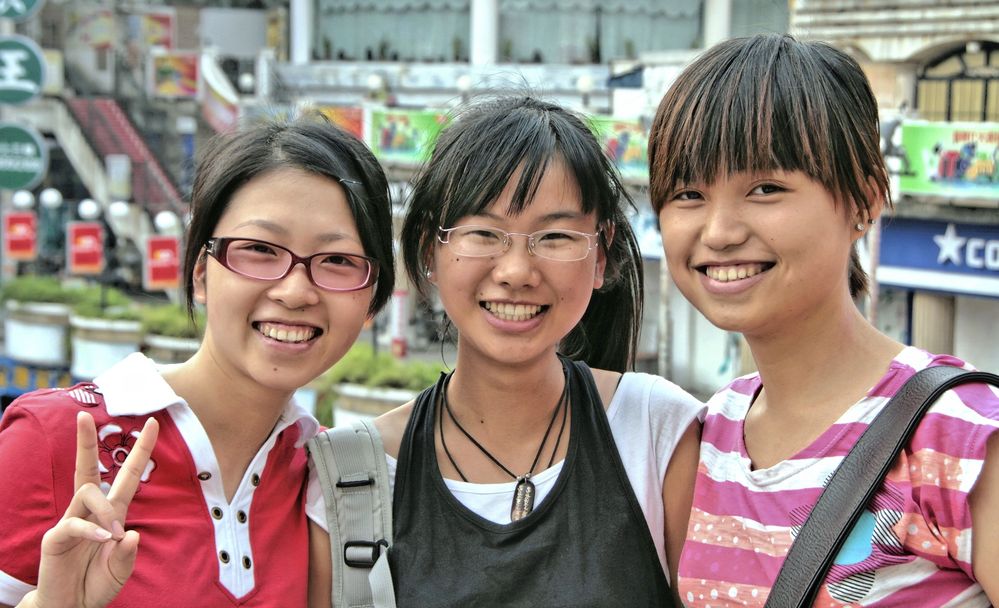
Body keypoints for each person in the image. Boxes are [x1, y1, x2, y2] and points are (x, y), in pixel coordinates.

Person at [308, 96, 704, 606]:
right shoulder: (354, 473)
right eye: (483, 233)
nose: (516, 271)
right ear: (430, 250)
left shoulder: (657, 432)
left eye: (555, 235)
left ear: (599, 255)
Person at [648, 33, 999, 605]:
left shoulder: (957, 436)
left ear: (861, 203)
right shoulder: (705, 439)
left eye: (765, 188)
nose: (719, 232)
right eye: (688, 193)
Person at [0, 114, 396, 607]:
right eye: (259, 250)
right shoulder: (59, 439)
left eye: (337, 260)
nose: (296, 291)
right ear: (200, 272)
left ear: (372, 302)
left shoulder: (325, 476)